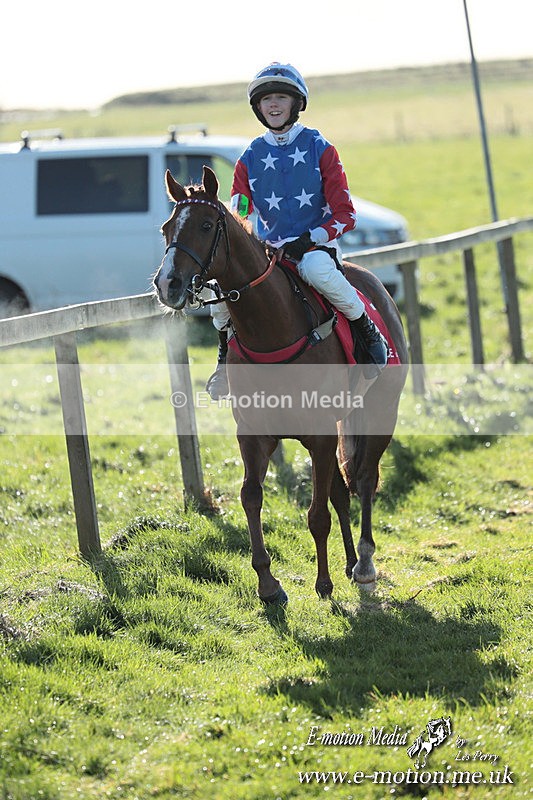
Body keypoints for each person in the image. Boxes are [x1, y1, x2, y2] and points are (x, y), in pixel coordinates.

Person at [206, 62, 387, 399]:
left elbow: (346, 215)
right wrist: (239, 229)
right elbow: (241, 210)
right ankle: (223, 359)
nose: (273, 105)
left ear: (296, 103)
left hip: (316, 249)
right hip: (270, 253)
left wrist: (310, 240)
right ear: (257, 108)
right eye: (266, 100)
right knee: (222, 290)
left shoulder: (321, 148)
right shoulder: (249, 157)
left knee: (317, 270)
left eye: (280, 98)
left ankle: (367, 330)